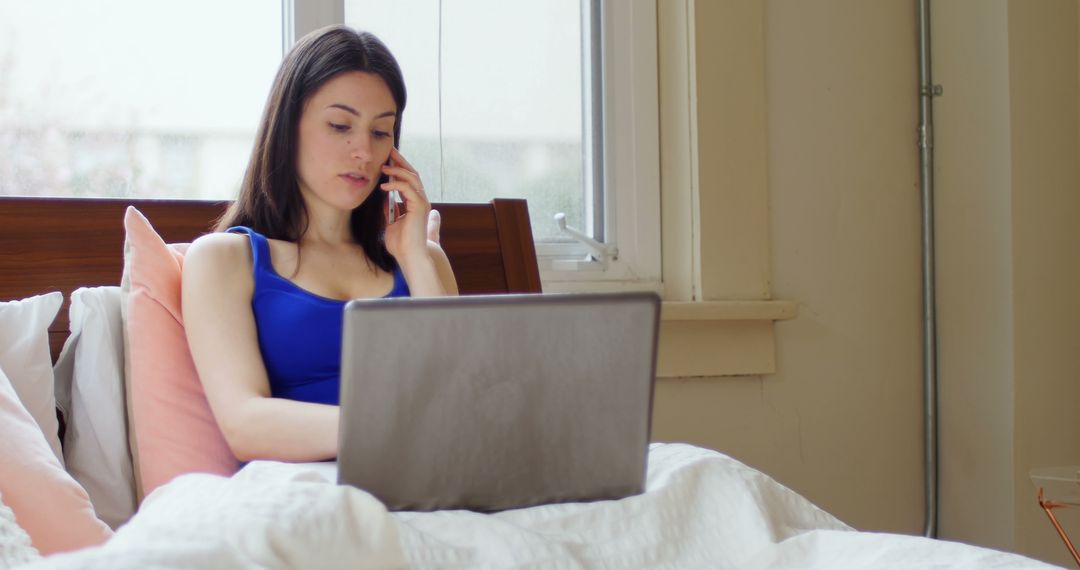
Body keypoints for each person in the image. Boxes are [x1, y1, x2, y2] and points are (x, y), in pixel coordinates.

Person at [182, 25, 457, 463]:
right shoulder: (222, 260)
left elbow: (463, 403)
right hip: (303, 490)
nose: (364, 152)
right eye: (340, 125)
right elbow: (245, 424)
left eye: (381, 132)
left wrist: (414, 258)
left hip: (430, 483)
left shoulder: (423, 261)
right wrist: (395, 426)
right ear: (287, 127)